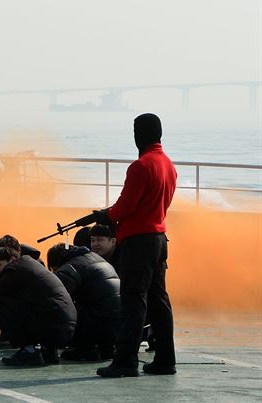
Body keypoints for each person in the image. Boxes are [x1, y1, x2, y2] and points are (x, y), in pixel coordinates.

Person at [96, 113, 177, 377]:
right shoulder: (168, 164)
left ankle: (126, 362)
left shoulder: (141, 166)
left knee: (133, 302)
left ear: (140, 134)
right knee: (159, 302)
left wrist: (106, 215)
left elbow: (126, 206)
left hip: (138, 243)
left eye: (135, 130)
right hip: (159, 240)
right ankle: (166, 361)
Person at [0, 246, 77, 366]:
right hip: (64, 328)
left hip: (53, 326)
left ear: (12, 258)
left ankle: (28, 351)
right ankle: (48, 351)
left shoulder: (14, 269)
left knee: (2, 302)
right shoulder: (28, 264)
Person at [47, 243, 121, 361]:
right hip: (117, 325)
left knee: (61, 308)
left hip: (97, 325)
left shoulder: (69, 267)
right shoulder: (95, 258)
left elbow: (56, 297)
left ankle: (85, 349)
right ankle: (105, 347)